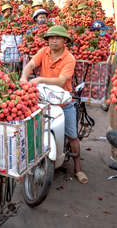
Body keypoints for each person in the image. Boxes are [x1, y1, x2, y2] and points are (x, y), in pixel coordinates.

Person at [20, 26, 88, 184]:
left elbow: (61, 81)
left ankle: (78, 168)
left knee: (72, 136)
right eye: (51, 38)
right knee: (33, 128)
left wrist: (39, 79)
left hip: (64, 102)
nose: (53, 40)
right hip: (44, 99)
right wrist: (24, 76)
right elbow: (30, 65)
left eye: (57, 38)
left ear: (65, 41)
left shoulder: (69, 58)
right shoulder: (43, 52)